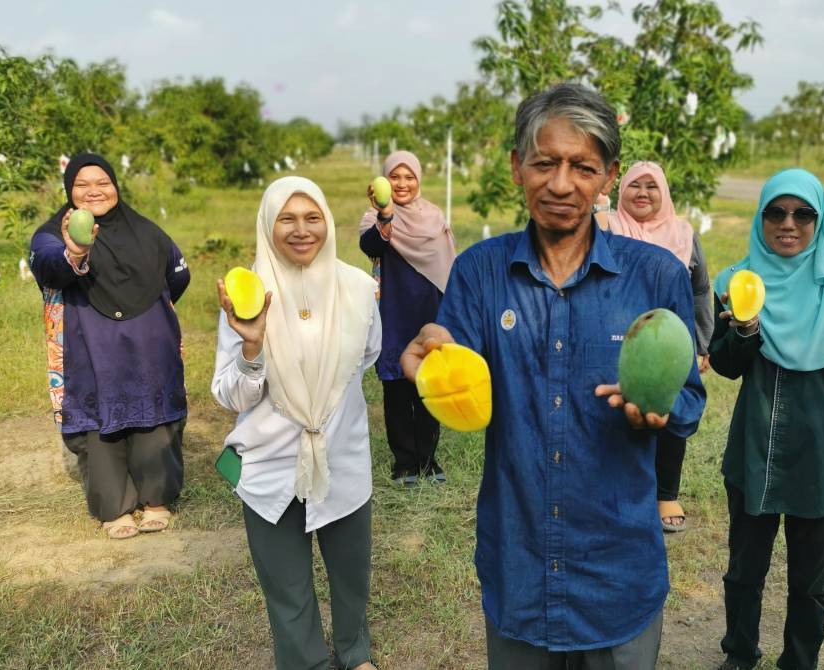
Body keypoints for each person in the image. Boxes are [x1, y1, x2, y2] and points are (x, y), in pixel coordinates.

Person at [400, 83, 706, 668]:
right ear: (517, 167)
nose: (562, 184)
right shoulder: (479, 274)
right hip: (521, 567)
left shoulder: (657, 276)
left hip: (618, 575)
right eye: (544, 162)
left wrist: (664, 410)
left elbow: (689, 398)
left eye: (582, 167)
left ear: (608, 176)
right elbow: (456, 377)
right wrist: (430, 367)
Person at [709, 168, 824, 670]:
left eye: (804, 214)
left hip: (822, 457)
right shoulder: (739, 284)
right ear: (761, 219)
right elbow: (725, 365)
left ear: (820, 221)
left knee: (810, 580)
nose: (789, 224)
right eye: (776, 213)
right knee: (744, 570)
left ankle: (799, 662)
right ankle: (739, 654)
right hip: (754, 449)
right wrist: (744, 326)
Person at [212, 176, 380, 670]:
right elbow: (230, 395)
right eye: (287, 218)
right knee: (286, 587)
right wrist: (252, 345)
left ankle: (355, 652)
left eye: (313, 218)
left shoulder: (358, 288)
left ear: (328, 221)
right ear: (268, 224)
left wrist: (317, 399)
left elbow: (365, 358)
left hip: (341, 456)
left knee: (351, 574)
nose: (301, 230)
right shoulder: (248, 293)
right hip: (270, 462)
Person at [29, 153, 189, 540]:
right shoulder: (53, 233)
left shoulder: (146, 231)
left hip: (147, 342)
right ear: (69, 191)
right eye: (82, 185)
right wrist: (76, 252)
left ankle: (156, 500)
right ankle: (115, 507)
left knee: (153, 414)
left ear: (116, 185)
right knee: (100, 421)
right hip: (89, 344)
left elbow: (177, 274)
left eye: (103, 182)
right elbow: (49, 264)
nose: (94, 191)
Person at [600, 160, 714, 533]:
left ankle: (666, 493)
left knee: (670, 411)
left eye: (652, 186)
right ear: (622, 190)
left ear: (664, 192)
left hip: (671, 342)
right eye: (635, 185)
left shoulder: (684, 234)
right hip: (619, 338)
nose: (643, 193)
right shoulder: (607, 226)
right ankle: (616, 488)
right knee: (619, 411)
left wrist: (701, 343)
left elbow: (699, 292)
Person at [360, 150, 456, 486]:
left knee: (428, 384)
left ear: (418, 180)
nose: (402, 184)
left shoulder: (433, 216)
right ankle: (404, 462)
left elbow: (448, 263)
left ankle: (429, 461)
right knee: (397, 387)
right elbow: (369, 244)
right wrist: (385, 215)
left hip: (429, 310)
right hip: (393, 310)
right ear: (385, 180)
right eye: (395, 177)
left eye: (409, 176)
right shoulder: (375, 215)